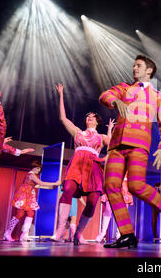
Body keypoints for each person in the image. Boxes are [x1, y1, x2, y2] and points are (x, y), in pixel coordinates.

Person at [99, 54, 161, 249]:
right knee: (111, 186)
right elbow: (104, 95)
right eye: (134, 66)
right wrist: (115, 102)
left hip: (139, 145)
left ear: (149, 70)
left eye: (139, 66)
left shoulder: (159, 97)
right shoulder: (124, 87)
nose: (134, 68)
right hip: (117, 145)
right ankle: (127, 235)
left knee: (136, 186)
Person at [51, 83, 114, 245]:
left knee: (93, 201)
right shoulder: (77, 132)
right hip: (77, 166)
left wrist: (101, 159)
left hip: (93, 168)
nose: (89, 117)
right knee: (68, 191)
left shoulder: (101, 137)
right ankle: (59, 229)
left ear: (97, 121)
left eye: (92, 116)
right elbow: (63, 118)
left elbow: (114, 149)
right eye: (87, 116)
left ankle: (78, 233)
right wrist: (61, 95)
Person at [3, 161, 61, 242]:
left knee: (31, 213)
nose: (38, 170)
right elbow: (41, 183)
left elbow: (40, 185)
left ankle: (24, 234)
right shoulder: (31, 175)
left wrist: (53, 186)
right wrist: (55, 183)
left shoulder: (33, 176)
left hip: (29, 196)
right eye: (37, 168)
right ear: (33, 167)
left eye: (39, 169)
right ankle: (7, 232)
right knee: (20, 214)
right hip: (23, 195)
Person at [95, 177, 133, 243]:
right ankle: (103, 232)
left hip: (124, 188)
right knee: (108, 209)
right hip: (112, 187)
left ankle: (119, 234)